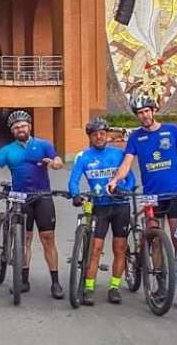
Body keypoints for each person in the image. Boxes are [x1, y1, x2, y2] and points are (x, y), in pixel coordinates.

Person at [107, 93, 177, 310]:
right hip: (152, 197)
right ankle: (161, 283)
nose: (144, 116)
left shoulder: (171, 131)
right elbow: (127, 164)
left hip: (175, 194)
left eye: (146, 111)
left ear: (153, 110)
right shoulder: (135, 137)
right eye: (140, 113)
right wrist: (115, 179)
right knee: (155, 240)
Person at [0, 110, 65, 299]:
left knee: (48, 238)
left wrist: (55, 164)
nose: (20, 129)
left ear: (29, 126)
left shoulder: (43, 144)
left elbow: (58, 160)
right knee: (25, 239)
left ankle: (55, 282)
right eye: (16, 127)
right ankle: (24, 280)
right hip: (21, 198)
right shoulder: (8, 150)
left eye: (23, 125)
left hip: (43, 196)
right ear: (12, 131)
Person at [68, 117, 136, 305]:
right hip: (100, 206)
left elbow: (131, 179)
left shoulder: (118, 154)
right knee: (95, 248)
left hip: (120, 204)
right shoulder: (83, 157)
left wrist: (126, 189)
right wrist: (75, 194)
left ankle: (114, 287)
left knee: (119, 248)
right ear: (89, 137)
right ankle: (89, 287)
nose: (99, 136)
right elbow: (73, 181)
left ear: (107, 135)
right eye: (95, 134)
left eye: (102, 133)